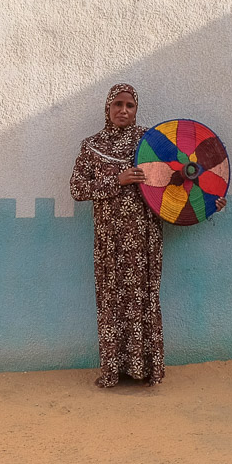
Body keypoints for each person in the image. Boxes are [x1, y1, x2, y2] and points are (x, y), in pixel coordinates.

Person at [69, 83, 165, 387]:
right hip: (109, 241)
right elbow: (77, 189)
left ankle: (146, 371)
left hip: (144, 240)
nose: (123, 111)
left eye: (130, 106)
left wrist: (205, 200)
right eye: (117, 105)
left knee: (143, 299)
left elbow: (178, 179)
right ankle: (113, 371)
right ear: (107, 108)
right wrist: (117, 179)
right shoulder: (91, 146)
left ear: (136, 109)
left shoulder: (150, 142)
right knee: (112, 300)